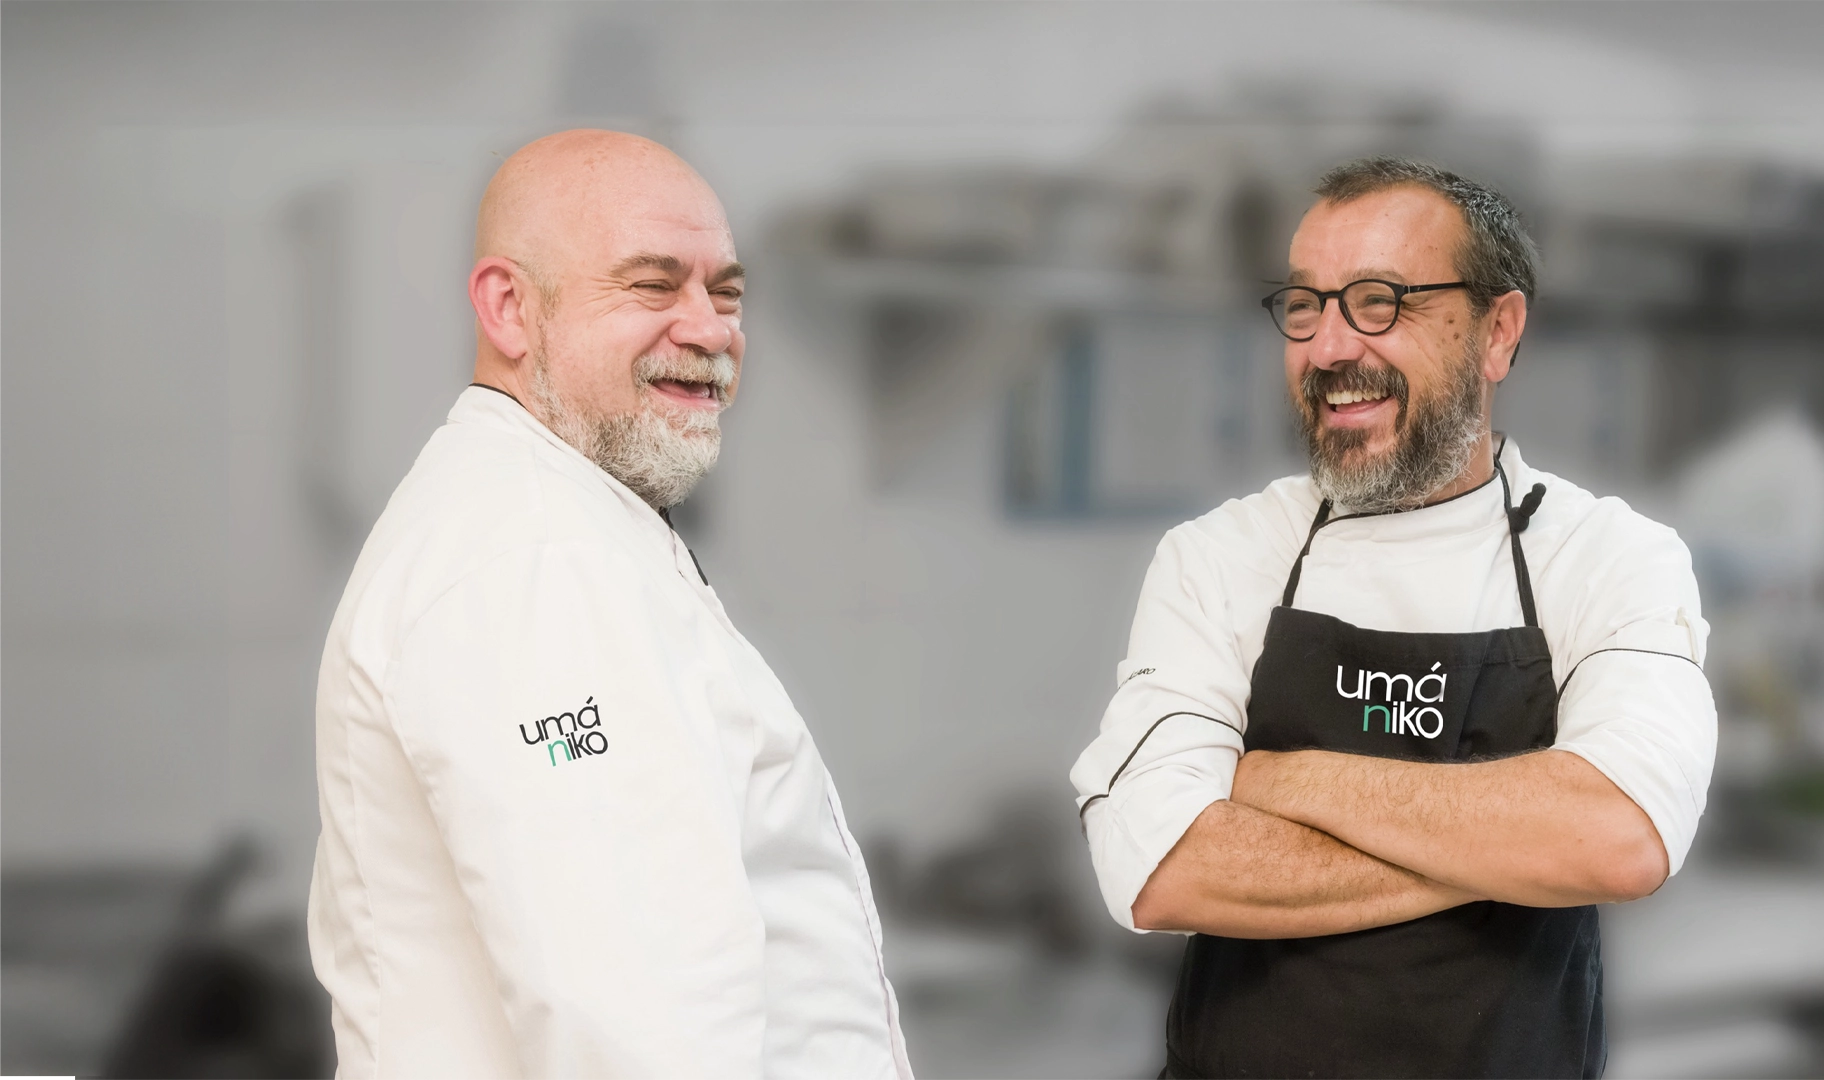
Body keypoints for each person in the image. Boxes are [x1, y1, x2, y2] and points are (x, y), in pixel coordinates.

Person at [1069, 157, 1716, 1080]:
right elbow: (1166, 868)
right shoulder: (1219, 557)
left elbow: (1617, 837)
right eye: (1305, 305)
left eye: (1380, 301)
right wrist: (1512, 853)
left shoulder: (1610, 558)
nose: (1331, 347)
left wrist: (1281, 782)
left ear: (1499, 332)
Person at [309, 130, 913, 1080]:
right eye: (651, 284)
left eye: (726, 291)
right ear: (509, 307)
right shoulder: (534, 564)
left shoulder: (564, 525)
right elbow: (637, 1024)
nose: (709, 329)